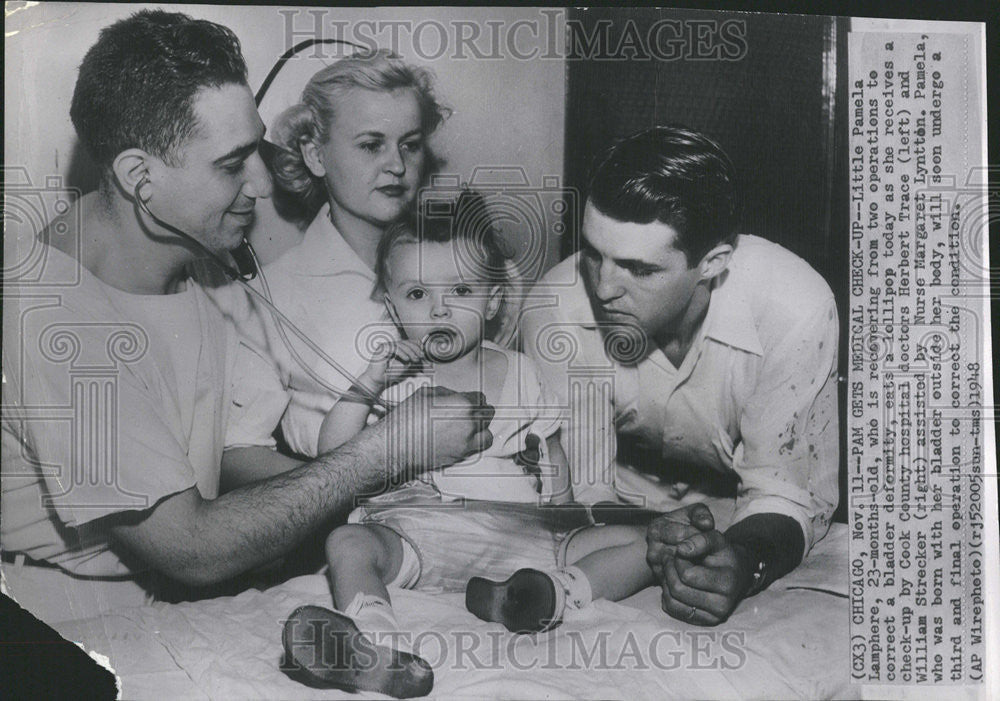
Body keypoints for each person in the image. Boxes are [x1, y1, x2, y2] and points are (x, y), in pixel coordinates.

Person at [0, 10, 492, 626]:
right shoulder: (58, 325)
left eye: (255, 151)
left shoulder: (200, 264)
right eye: (232, 165)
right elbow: (192, 549)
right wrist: (380, 453)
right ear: (139, 178)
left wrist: (392, 500)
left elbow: (235, 451)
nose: (261, 185)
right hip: (71, 620)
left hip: (176, 605)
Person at [281, 194, 659, 698]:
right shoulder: (395, 381)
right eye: (417, 294)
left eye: (461, 289)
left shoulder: (523, 373)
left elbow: (551, 456)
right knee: (347, 543)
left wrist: (563, 515)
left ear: (493, 300)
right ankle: (375, 643)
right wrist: (367, 386)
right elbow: (334, 455)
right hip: (424, 533)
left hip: (526, 540)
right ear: (392, 306)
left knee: (642, 544)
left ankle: (550, 594)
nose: (439, 308)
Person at [521, 126, 840, 626]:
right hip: (616, 527)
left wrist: (740, 559)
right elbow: (581, 491)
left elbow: (787, 491)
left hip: (746, 520)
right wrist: (659, 536)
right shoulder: (554, 308)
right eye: (593, 253)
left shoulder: (793, 305)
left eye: (639, 270)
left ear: (713, 262)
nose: (603, 288)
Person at [226, 50, 452, 460]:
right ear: (315, 155)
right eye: (371, 145)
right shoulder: (267, 301)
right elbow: (239, 456)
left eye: (411, 145)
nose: (397, 166)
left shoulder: (470, 265)